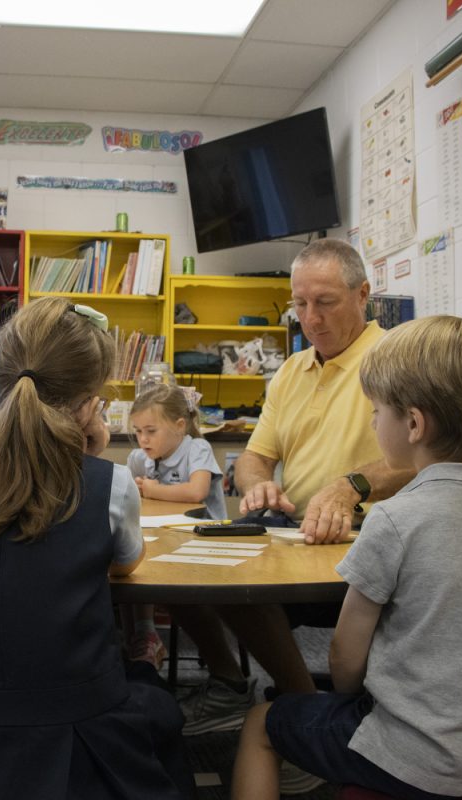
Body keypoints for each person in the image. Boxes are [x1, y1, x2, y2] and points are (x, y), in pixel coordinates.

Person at [232, 315, 462, 799]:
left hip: (412, 759)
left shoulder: (393, 520)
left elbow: (344, 659)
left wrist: (349, 699)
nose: (373, 421)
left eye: (377, 411)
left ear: (414, 424)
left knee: (260, 722)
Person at [0, 297, 193, 799]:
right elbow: (128, 565)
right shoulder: (110, 484)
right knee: (156, 696)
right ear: (90, 404)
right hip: (86, 731)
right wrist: (85, 456)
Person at [175, 238, 416, 737]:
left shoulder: (398, 358)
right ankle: (232, 682)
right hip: (296, 531)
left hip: (367, 536)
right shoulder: (290, 370)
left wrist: (352, 487)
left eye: (325, 302)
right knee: (192, 563)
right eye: (299, 304)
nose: (311, 318)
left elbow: (424, 457)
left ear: (362, 294)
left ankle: (303, 711)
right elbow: (255, 459)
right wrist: (258, 485)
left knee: (242, 584)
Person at [123, 382, 225, 670]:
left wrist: (153, 490)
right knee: (130, 558)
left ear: (179, 426)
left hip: (203, 540)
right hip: (163, 536)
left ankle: (143, 635)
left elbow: (196, 492)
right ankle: (143, 635)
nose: (143, 439)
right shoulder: (139, 459)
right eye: (138, 431)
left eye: (151, 431)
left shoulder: (197, 448)